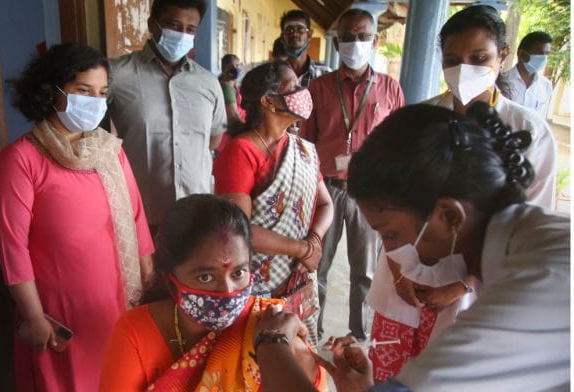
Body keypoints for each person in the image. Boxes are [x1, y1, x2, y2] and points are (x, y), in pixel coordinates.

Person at [253, 103, 570, 392]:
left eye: (390, 234)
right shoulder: (523, 249)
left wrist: (272, 342)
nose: (390, 253)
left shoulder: (539, 285)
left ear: (449, 215)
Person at [0, 43, 154, 391]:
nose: (94, 101)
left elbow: (137, 218)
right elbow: (12, 247)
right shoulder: (21, 160)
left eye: (102, 93)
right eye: (83, 91)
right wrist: (33, 316)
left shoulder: (110, 151)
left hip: (117, 303)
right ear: (52, 90)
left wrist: (149, 278)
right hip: (61, 312)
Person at [98, 194, 328, 391]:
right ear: (170, 279)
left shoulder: (272, 330)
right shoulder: (135, 332)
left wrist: (273, 347)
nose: (227, 291)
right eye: (206, 277)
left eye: (238, 273)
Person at [300, 7, 405, 342]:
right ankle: (310, 333)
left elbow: (398, 144)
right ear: (336, 41)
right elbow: (304, 144)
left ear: (374, 40)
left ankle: (359, 339)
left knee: (366, 273)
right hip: (326, 190)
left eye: (362, 36)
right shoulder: (318, 89)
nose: (354, 43)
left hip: (370, 193)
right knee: (316, 267)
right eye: (347, 36)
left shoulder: (390, 89)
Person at [213, 61, 333, 345]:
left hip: (296, 281)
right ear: (268, 101)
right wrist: (303, 249)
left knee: (296, 358)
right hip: (256, 286)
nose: (302, 92)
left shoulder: (301, 148)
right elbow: (239, 232)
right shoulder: (241, 152)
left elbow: (326, 204)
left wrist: (314, 241)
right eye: (292, 88)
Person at [107, 0, 227, 234]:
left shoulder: (208, 83)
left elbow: (213, 139)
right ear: (153, 25)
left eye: (190, 29)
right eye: (174, 26)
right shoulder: (117, 75)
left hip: (197, 214)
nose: (183, 35)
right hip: (140, 215)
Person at [426, 5, 557, 210]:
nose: (463, 69)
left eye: (478, 58)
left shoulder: (531, 130)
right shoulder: (422, 117)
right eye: (452, 60)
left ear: (502, 57)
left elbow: (535, 214)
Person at [500, 31, 554, 119]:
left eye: (546, 54)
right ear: (522, 54)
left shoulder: (546, 86)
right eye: (539, 53)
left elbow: (542, 119)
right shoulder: (502, 81)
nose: (544, 58)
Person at [279, 10, 332, 87]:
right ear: (282, 37)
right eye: (289, 30)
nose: (294, 34)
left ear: (309, 35)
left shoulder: (325, 73)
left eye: (300, 29)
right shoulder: (272, 74)